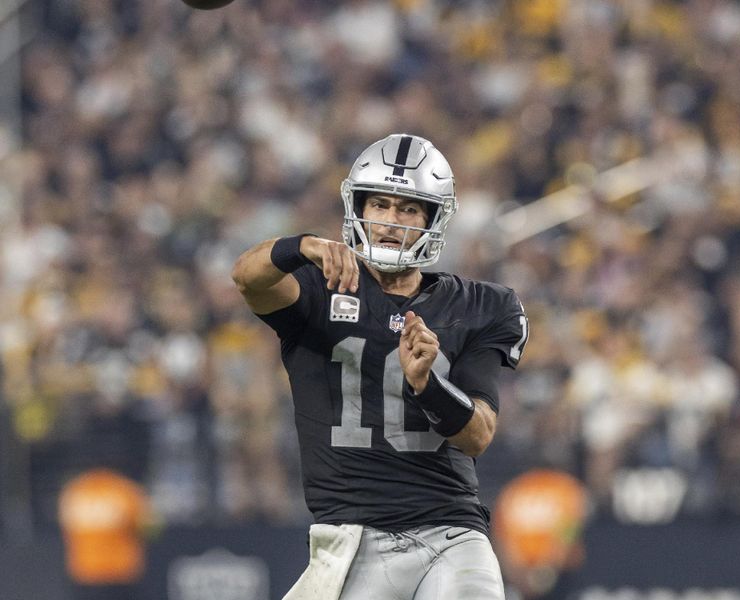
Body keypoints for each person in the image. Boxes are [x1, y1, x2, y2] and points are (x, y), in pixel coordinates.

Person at [232, 133, 529, 599]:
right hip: (352, 539)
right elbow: (247, 279)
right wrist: (300, 246)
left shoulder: (481, 305)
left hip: (451, 535)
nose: (392, 221)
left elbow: (478, 435)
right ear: (359, 209)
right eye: (380, 205)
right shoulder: (318, 288)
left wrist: (428, 385)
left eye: (409, 209)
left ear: (433, 219)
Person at [58, 467, 160, 600]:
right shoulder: (125, 489)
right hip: (120, 572)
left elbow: (65, 529)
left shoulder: (75, 491)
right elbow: (151, 530)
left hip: (86, 572)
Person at [492, 469, 589, 600]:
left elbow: (502, 541)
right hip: (547, 574)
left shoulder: (515, 488)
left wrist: (538, 572)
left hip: (555, 575)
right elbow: (569, 532)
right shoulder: (565, 484)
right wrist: (543, 570)